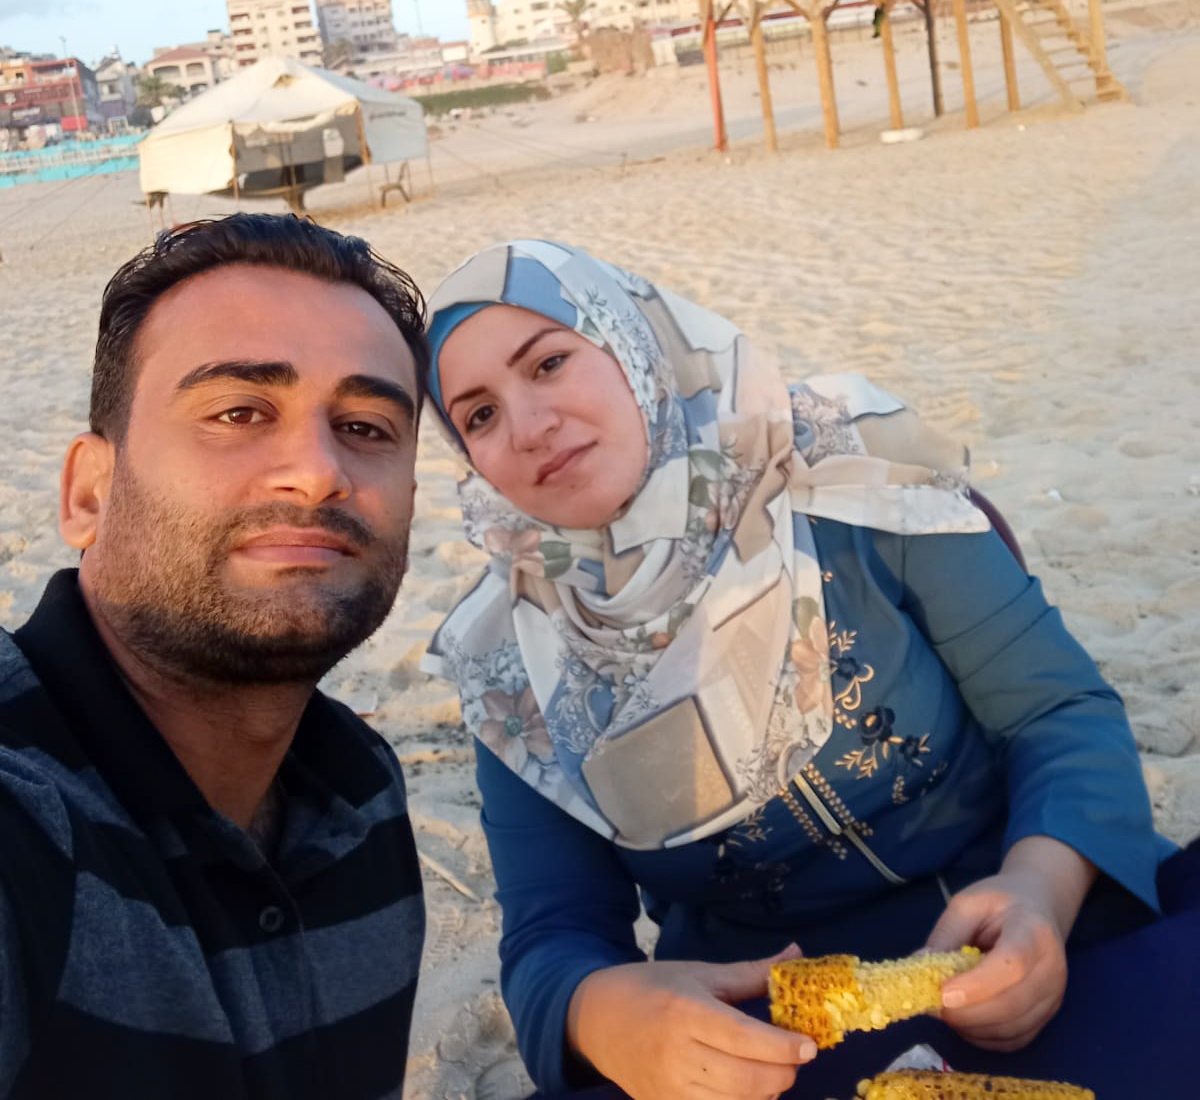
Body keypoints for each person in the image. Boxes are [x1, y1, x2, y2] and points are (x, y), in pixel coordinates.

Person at [421, 240, 1191, 1100]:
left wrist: (1040, 891)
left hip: (1034, 930)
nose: (528, 428)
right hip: (763, 1037)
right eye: (478, 415)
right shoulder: (511, 663)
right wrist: (605, 1012)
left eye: (551, 362)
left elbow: (1060, 713)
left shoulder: (845, 480)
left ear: (633, 345)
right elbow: (553, 931)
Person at [0, 213, 428, 1098]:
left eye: (367, 427)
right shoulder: (24, 829)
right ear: (89, 490)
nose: (316, 472)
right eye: (239, 412)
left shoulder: (363, 792)